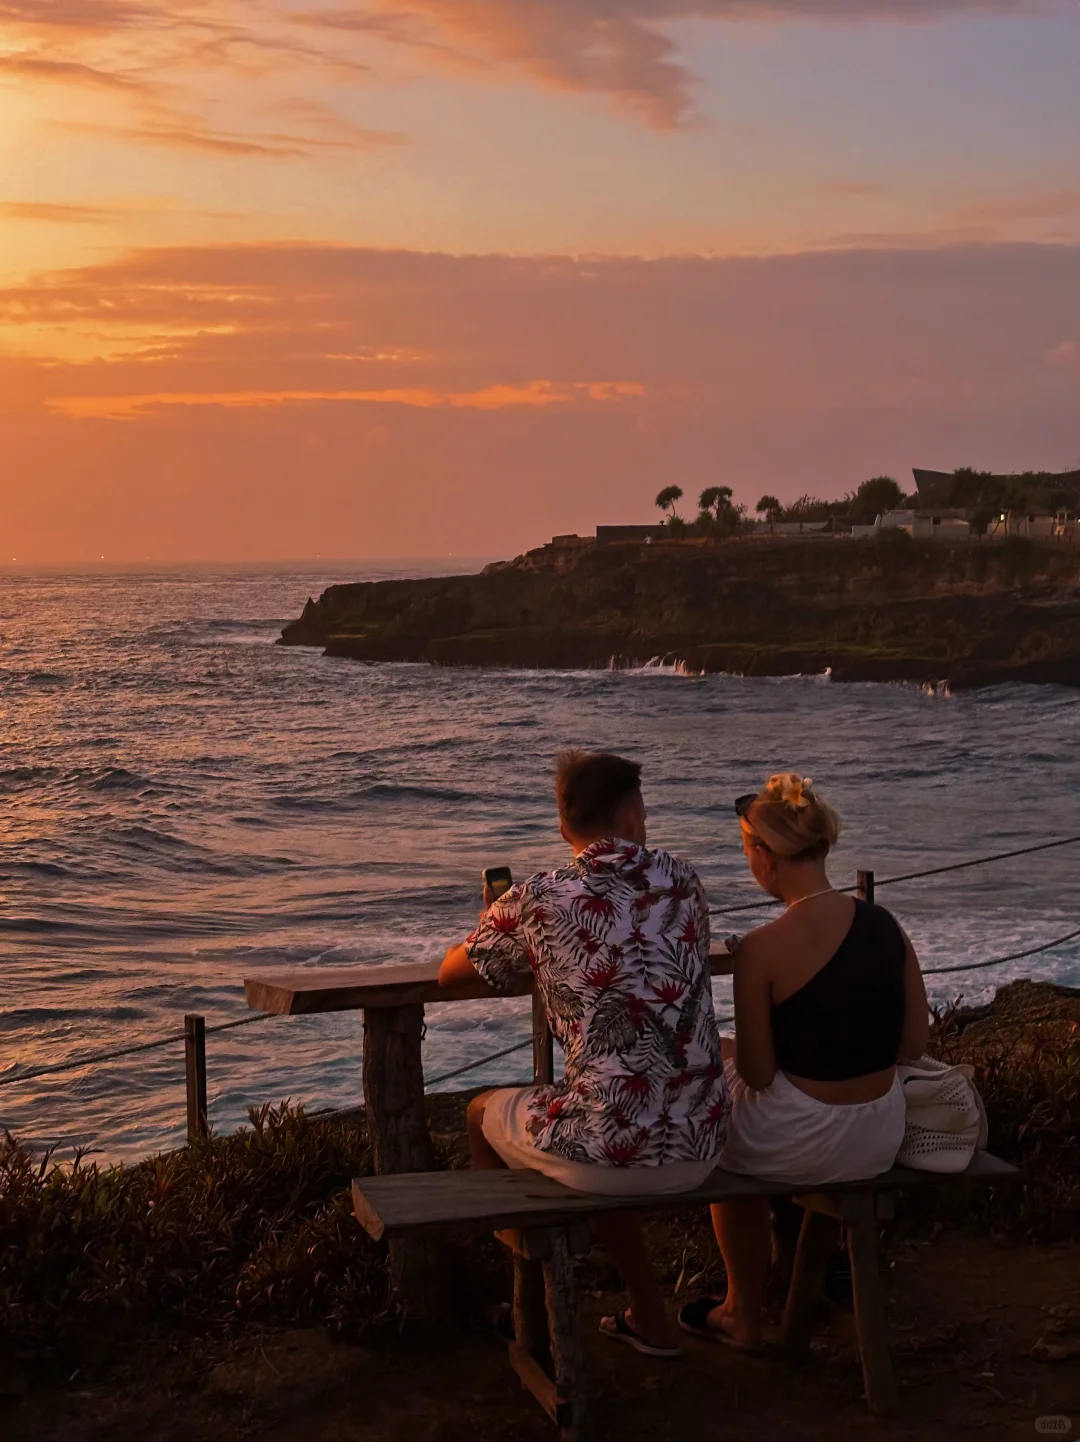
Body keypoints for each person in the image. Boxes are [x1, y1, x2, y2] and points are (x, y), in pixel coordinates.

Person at [439, 750, 729, 1358]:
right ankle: (650, 1316)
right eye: (643, 810)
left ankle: (526, 1308)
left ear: (565, 823)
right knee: (606, 1116)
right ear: (629, 814)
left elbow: (449, 974)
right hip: (702, 1141)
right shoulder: (684, 878)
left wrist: (502, 926)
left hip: (610, 1148)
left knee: (483, 1116)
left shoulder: (539, 896)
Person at [678, 771, 929, 1351]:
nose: (749, 865)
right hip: (878, 1132)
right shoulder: (886, 925)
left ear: (768, 856)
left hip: (808, 1138)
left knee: (712, 1120)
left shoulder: (763, 947)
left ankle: (741, 1308)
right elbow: (914, 1043)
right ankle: (796, 1268)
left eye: (747, 852)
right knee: (735, 1064)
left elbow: (762, 1076)